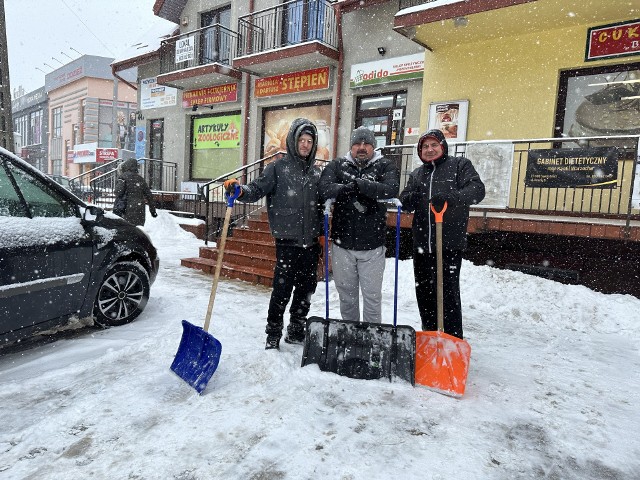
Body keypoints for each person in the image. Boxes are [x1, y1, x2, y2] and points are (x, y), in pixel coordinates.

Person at [224, 118, 323, 350]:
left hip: (311, 241)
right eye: (302, 140)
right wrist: (240, 190)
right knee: (282, 289)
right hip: (287, 241)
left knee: (307, 288)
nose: (306, 145)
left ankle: (297, 328)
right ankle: (273, 333)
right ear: (293, 141)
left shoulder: (316, 173)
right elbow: (256, 189)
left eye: (310, 141)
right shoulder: (278, 168)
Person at [399, 129, 485, 339]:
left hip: (448, 245)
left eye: (433, 145)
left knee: (447, 295)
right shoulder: (418, 174)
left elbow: (477, 190)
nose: (429, 150)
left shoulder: (459, 166)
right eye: (425, 146)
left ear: (443, 146)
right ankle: (430, 337)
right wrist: (412, 198)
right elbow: (405, 198)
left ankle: (453, 339)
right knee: (425, 294)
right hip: (422, 244)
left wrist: (452, 197)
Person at [319, 126, 399, 324]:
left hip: (373, 246)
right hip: (342, 245)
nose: (362, 147)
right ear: (351, 146)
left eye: (366, 143)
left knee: (372, 297)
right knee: (347, 297)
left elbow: (390, 189)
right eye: (357, 143)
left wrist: (360, 186)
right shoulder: (337, 165)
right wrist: (348, 188)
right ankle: (350, 332)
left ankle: (372, 336)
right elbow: (324, 188)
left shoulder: (385, 166)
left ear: (373, 146)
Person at [113, 158, 157, 226]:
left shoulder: (123, 177)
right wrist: (153, 211)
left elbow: (118, 192)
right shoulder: (140, 179)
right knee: (138, 230)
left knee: (127, 229)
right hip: (140, 209)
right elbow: (149, 196)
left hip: (126, 208)